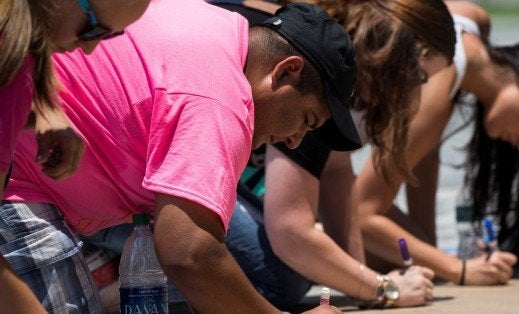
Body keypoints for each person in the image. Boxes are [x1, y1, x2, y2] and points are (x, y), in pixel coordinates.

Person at [1, 1, 357, 313]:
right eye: (306, 121)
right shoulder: (220, 99)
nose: (295, 142)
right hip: (19, 176)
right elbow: (189, 253)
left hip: (39, 162)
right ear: (285, 71)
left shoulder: (218, 27)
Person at [216, 0, 456, 310]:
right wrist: (385, 288)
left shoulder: (324, 37)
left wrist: (364, 282)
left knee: (313, 262)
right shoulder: (315, 70)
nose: (415, 91)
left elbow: (336, 172)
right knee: (282, 276)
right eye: (420, 77)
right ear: (398, 54)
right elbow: (291, 231)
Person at [354, 0, 519, 282]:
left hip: (308, 155)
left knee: (416, 256)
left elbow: (423, 156)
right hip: (300, 162)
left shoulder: (471, 19)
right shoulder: (438, 86)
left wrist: (431, 251)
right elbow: (361, 213)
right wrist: (457, 269)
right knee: (390, 254)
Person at [1, 1, 148, 312]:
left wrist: (42, 106)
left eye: (106, 37)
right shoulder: (13, 66)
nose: (90, 49)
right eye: (91, 30)